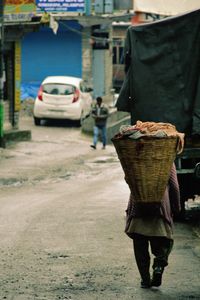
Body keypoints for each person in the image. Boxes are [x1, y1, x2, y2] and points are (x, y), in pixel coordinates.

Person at [125, 163, 181, 288]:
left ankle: (145, 280)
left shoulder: (135, 158)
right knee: (164, 243)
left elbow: (128, 179)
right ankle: (159, 266)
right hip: (159, 208)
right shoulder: (167, 159)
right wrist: (176, 208)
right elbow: (175, 187)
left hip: (138, 207)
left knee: (140, 248)